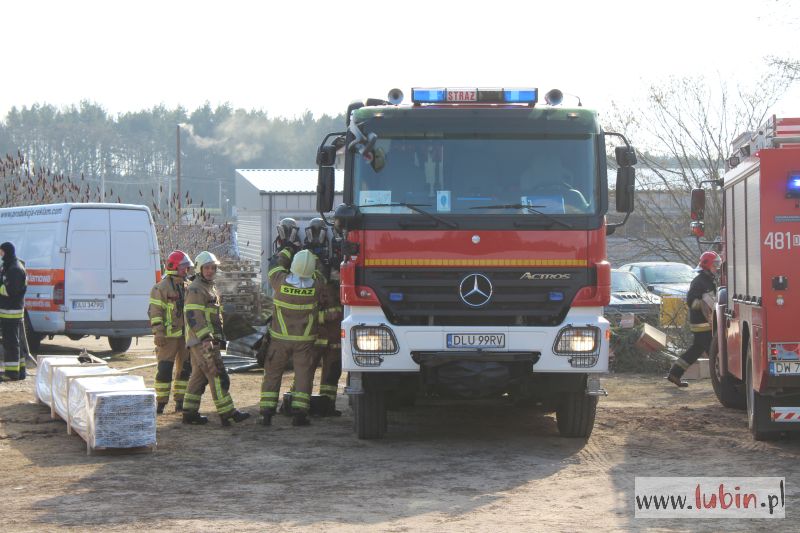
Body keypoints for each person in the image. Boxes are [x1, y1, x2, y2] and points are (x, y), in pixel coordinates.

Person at [259, 249, 327, 427]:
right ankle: (300, 414)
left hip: (279, 340)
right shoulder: (316, 286)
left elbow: (274, 266)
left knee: (272, 375)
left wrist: (288, 250)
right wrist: (315, 252)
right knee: (304, 376)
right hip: (304, 341)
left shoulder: (279, 282)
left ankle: (266, 414)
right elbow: (322, 271)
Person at [182, 251, 250, 426]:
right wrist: (206, 338)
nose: (210, 271)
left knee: (199, 376)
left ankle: (189, 413)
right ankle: (227, 412)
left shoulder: (208, 287)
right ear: (199, 268)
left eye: (213, 267)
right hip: (203, 341)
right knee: (216, 374)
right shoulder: (197, 288)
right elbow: (194, 316)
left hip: (202, 341)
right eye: (207, 268)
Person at [148, 250, 193, 413]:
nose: (186, 271)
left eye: (187, 268)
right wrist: (158, 332)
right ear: (174, 267)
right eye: (184, 267)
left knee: (185, 370)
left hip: (185, 337)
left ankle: (180, 401)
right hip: (167, 337)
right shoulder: (160, 288)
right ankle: (160, 403)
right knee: (165, 370)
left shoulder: (188, 286)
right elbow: (155, 311)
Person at [667, 251, 720, 387]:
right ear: (707, 265)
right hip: (701, 324)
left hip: (707, 323)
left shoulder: (708, 280)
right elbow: (691, 301)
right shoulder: (699, 282)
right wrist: (703, 303)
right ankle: (722, 380)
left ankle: (675, 374)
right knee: (712, 351)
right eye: (715, 265)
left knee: (698, 350)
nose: (717, 267)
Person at [0, 242, 27, 382]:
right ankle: (20, 371)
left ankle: (12, 374)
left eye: (1, 252)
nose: (0, 254)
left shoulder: (15, 269)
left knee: (11, 343)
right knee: (15, 342)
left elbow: (11, 291)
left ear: (6, 251)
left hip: (11, 312)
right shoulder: (10, 265)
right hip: (9, 311)